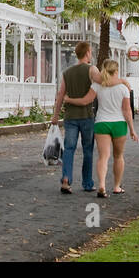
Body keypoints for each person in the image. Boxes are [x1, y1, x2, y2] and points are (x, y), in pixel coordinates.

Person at [67, 58, 137, 196]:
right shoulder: (123, 87)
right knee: (118, 156)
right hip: (119, 123)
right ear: (116, 71)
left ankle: (102, 185)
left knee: (103, 157)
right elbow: (127, 110)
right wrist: (132, 130)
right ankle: (116, 186)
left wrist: (69, 99)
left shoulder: (97, 86)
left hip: (101, 123)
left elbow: (85, 101)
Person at [52, 41, 96, 194]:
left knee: (69, 149)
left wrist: (55, 115)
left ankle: (66, 179)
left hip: (70, 116)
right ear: (88, 52)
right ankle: (88, 183)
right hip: (86, 116)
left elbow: (60, 95)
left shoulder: (67, 72)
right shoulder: (92, 70)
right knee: (88, 150)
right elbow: (100, 85)